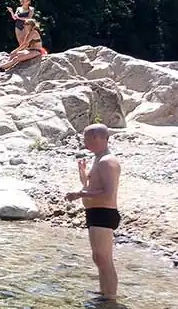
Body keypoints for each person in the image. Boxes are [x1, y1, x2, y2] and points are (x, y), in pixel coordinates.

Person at [65, 124, 122, 302]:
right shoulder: (98, 159)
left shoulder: (107, 161)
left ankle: (110, 298)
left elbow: (108, 193)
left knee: (104, 258)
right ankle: (104, 293)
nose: (84, 142)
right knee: (99, 258)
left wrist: (79, 194)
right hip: (95, 213)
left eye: (86, 138)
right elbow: (93, 187)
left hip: (104, 213)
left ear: (97, 137)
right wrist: (83, 176)